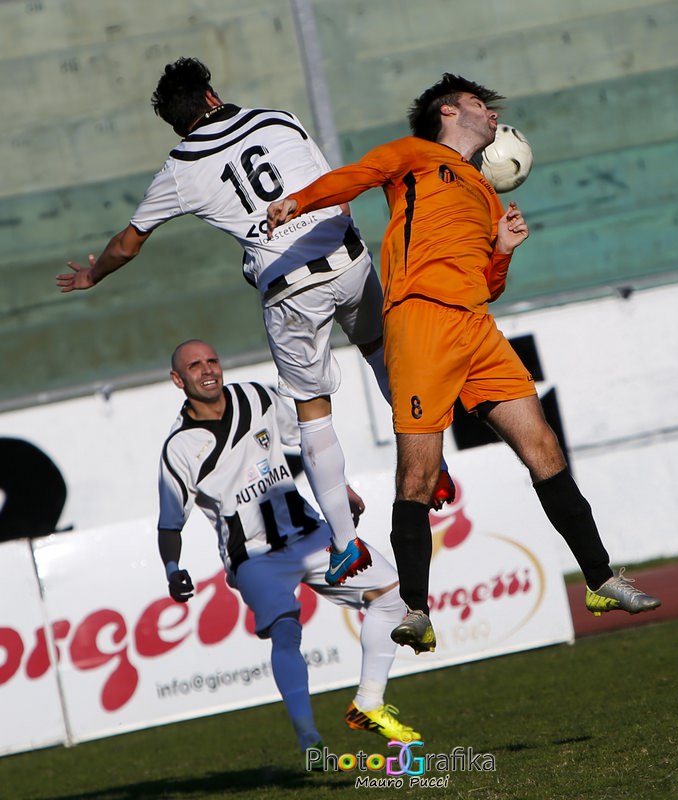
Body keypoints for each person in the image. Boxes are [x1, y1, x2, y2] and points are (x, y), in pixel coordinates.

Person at [266, 73, 661, 654]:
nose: (493, 114)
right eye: (482, 104)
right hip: (420, 324)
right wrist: (300, 200)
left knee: (545, 448)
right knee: (419, 476)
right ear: (449, 110)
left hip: (476, 326)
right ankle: (417, 610)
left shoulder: (485, 194)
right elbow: (357, 177)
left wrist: (501, 252)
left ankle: (600, 579)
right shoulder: (415, 157)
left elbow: (487, 287)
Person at [56, 57, 454, 588]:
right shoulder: (278, 118)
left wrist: (93, 276)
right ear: (212, 96)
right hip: (347, 255)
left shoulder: (179, 168)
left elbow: (129, 242)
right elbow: (327, 181)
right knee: (386, 360)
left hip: (290, 282)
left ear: (177, 123)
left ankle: (343, 543)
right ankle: (434, 466)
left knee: (313, 414)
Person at [157, 339, 420, 758]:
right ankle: (308, 737)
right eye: (194, 366)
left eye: (212, 360)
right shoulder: (180, 447)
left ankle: (369, 702)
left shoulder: (257, 397)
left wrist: (340, 489)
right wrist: (173, 568)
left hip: (310, 534)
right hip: (255, 556)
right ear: (178, 379)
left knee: (393, 596)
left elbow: (308, 441)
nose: (207, 370)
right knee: (286, 628)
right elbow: (170, 522)